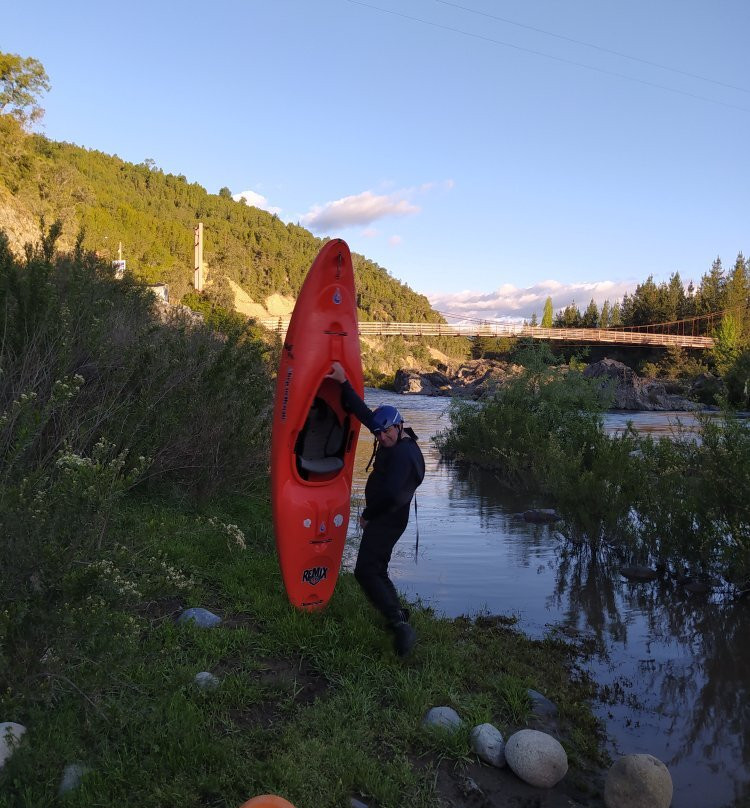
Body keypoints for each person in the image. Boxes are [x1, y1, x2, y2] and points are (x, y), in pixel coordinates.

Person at [326, 361, 425, 657]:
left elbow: (394, 495)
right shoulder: (391, 433)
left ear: (399, 426)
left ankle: (399, 625)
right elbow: (365, 414)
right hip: (387, 514)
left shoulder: (405, 455)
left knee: (365, 571)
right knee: (376, 568)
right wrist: (344, 383)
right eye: (378, 434)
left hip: (388, 517)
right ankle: (399, 615)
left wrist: (369, 516)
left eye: (386, 433)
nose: (381, 438)